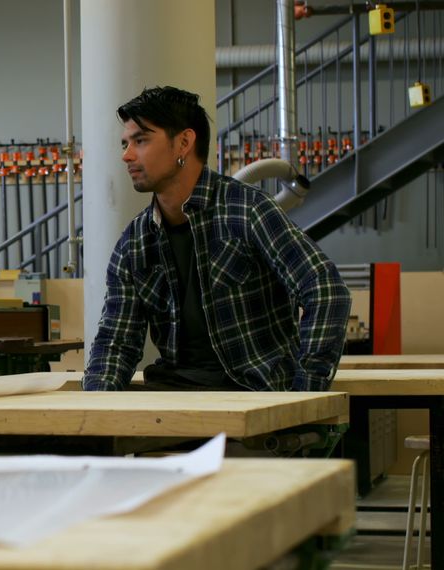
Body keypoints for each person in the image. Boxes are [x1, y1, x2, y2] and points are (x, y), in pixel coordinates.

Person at [84, 86, 351, 392]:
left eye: (141, 140)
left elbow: (327, 291)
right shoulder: (134, 242)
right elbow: (115, 343)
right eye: (124, 144)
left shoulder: (248, 210)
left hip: (252, 394)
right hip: (174, 394)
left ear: (184, 142)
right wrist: (95, 411)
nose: (126, 155)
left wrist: (307, 392)